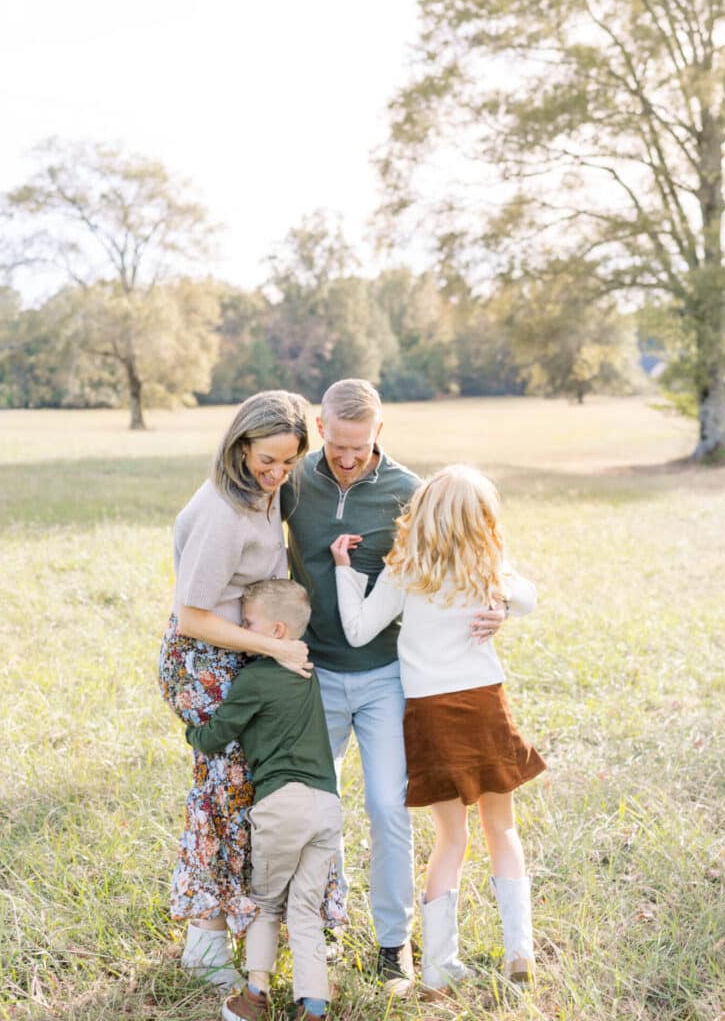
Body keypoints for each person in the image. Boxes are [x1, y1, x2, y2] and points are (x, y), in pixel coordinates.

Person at [281, 379, 506, 996]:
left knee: (386, 806)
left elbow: (473, 559)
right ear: (321, 427)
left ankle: (392, 943)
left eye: (361, 446)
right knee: (313, 808)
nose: (348, 458)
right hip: (312, 673)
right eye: (337, 445)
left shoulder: (409, 492)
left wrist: (502, 601)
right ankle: (322, 921)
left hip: (386, 677)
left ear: (379, 432)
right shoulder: (293, 482)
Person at [330, 464, 546, 992]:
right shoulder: (488, 566)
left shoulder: (404, 569)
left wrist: (342, 568)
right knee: (503, 830)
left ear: (422, 514)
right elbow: (530, 597)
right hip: (483, 705)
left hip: (428, 714)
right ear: (482, 521)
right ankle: (519, 951)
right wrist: (506, 605)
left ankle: (436, 967)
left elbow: (358, 632)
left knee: (451, 838)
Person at [158, 390, 344, 989]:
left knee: (245, 796)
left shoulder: (266, 491)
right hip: (207, 657)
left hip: (244, 648)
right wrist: (277, 648)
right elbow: (191, 617)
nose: (279, 474)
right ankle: (205, 941)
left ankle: (252, 928)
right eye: (269, 460)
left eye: (289, 463)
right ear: (239, 444)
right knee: (221, 794)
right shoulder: (223, 511)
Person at [185, 578, 341, 1021]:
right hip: (327, 805)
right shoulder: (304, 670)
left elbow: (216, 735)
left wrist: (191, 728)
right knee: (306, 908)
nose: (243, 630)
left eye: (248, 623)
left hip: (282, 805)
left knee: (268, 903)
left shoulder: (254, 678)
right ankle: (313, 1006)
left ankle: (254, 998)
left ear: (274, 633)